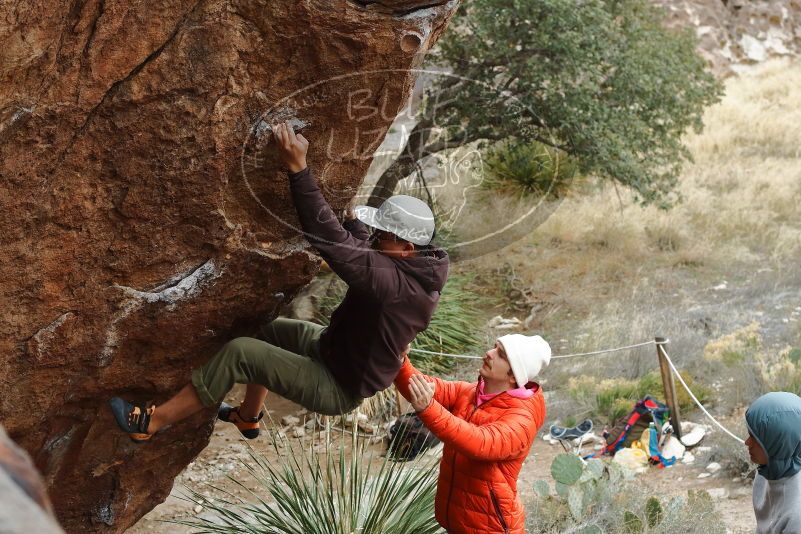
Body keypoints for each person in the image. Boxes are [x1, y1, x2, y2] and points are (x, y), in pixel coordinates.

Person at [109, 121, 449, 442]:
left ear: (406, 248)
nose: (375, 239)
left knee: (240, 352)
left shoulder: (396, 287)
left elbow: (336, 245)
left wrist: (299, 171)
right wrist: (354, 222)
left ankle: (151, 423)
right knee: (260, 327)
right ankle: (248, 415)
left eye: (382, 236)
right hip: (332, 351)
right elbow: (366, 252)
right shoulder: (413, 266)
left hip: (337, 386)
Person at [395, 334, 550, 534]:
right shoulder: (470, 393)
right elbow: (423, 388)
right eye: (494, 347)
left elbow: (481, 442)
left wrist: (429, 408)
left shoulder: (522, 419)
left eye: (500, 354)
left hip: (491, 529)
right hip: (460, 522)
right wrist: (399, 361)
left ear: (514, 376)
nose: (489, 353)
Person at [744, 391, 801, 534]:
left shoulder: (796, 515)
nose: (747, 442)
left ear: (778, 443)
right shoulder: (765, 472)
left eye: (754, 438)